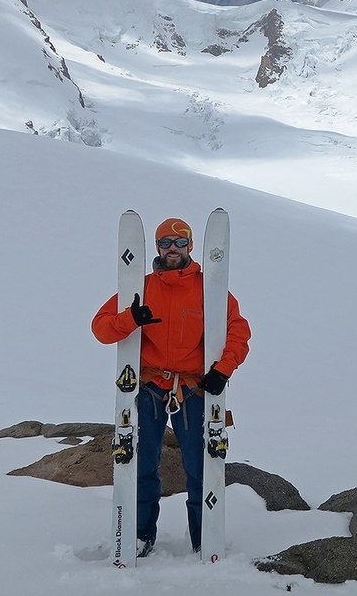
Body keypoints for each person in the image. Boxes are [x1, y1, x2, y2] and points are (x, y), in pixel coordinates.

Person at [92, 217, 250, 557]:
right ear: (157, 247)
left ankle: (203, 536)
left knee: (200, 465)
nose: (172, 249)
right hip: (149, 386)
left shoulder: (212, 289)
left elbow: (238, 333)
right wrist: (131, 318)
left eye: (180, 243)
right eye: (165, 243)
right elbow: (101, 329)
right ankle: (139, 535)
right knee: (140, 462)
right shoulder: (140, 285)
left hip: (193, 389)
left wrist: (222, 370)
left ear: (191, 247)